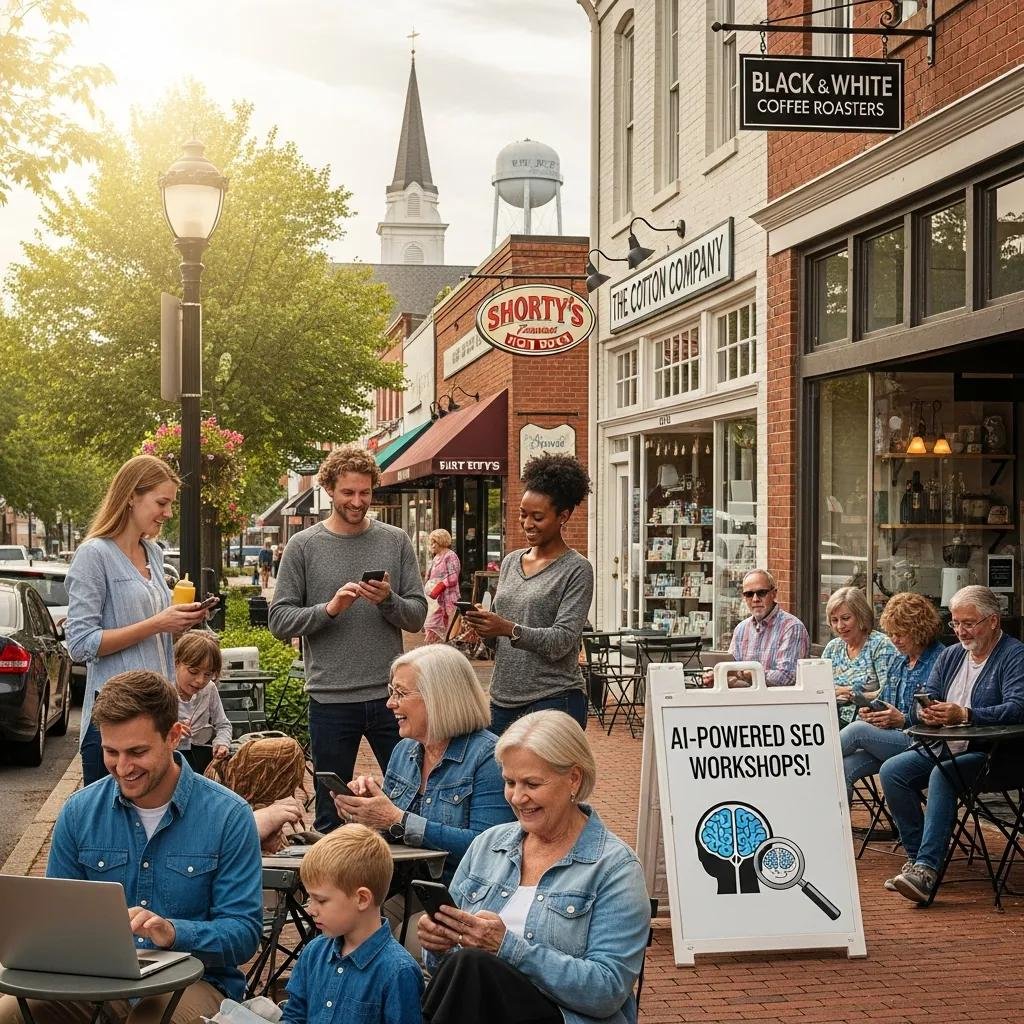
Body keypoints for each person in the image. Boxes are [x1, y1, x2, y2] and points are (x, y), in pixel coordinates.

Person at [0, 671, 263, 1024]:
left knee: (151, 1018)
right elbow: (56, 925)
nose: (122, 768)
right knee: (10, 1013)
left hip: (197, 982)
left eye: (137, 752)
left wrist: (172, 933)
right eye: (111, 752)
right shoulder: (79, 812)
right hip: (94, 984)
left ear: (174, 736)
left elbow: (243, 934)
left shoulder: (228, 815)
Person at [418, 710, 650, 1024]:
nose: (517, 796)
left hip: (563, 1017)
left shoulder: (614, 867)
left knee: (474, 965)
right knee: (457, 967)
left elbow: (606, 990)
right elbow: (445, 970)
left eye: (532, 783)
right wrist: (439, 945)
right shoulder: (488, 845)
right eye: (510, 782)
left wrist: (507, 948)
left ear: (574, 778)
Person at [269, 444, 427, 832]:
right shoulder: (303, 546)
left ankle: (404, 886)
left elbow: (418, 616)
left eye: (365, 493)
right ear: (329, 490)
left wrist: (389, 601)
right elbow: (279, 620)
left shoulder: (395, 540)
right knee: (330, 809)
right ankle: (327, 889)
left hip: (391, 697)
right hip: (331, 698)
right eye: (348, 493)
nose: (358, 502)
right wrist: (329, 610)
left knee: (410, 800)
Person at [333, 645, 516, 943]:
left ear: (439, 698)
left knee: (383, 944)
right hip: (403, 889)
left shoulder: (489, 757)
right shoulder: (405, 751)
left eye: (400, 693)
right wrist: (365, 812)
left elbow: (490, 849)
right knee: (335, 926)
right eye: (392, 691)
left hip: (461, 901)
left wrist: (397, 818)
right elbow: (391, 831)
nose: (390, 703)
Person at [65, 455, 210, 785]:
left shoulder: (154, 553)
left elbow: (153, 634)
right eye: (162, 502)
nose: (168, 513)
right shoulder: (94, 555)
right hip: (118, 721)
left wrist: (179, 624)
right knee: (115, 831)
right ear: (131, 496)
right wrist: (158, 623)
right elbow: (80, 644)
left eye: (170, 503)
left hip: (159, 715)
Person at [880, 585, 1024, 904]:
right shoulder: (951, 654)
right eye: (956, 623)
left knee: (943, 774)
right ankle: (918, 861)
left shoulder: (1014, 655)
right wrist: (928, 713)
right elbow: (927, 697)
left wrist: (966, 714)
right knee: (893, 771)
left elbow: (1018, 707)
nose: (960, 631)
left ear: (993, 621)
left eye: (968, 623)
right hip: (946, 746)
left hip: (993, 755)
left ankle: (928, 871)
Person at [465, 454, 594, 734]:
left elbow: (562, 641)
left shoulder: (577, 569)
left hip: (554, 699)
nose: (527, 523)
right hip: (502, 698)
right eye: (523, 514)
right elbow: (500, 637)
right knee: (497, 778)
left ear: (563, 516)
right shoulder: (512, 561)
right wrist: (485, 626)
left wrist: (508, 628)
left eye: (537, 517)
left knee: (544, 779)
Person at [281, 824, 424, 1024]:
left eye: (321, 900)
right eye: (309, 898)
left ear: (362, 899)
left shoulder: (398, 971)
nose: (311, 909)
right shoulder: (314, 952)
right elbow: (294, 1016)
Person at [840, 592, 944, 800]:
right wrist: (872, 712)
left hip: (922, 742)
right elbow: (885, 700)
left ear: (919, 630)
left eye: (900, 634)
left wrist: (902, 719)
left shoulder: (939, 660)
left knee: (857, 731)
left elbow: (937, 715)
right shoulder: (901, 661)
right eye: (891, 634)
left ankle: (811, 758)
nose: (894, 640)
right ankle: (837, 831)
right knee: (839, 769)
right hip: (891, 738)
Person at [703, 568, 809, 687]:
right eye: (749, 594)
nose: (755, 599)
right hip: (744, 699)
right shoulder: (741, 629)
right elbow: (731, 669)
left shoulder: (791, 627)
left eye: (761, 593)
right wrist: (718, 676)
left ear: (774, 594)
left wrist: (746, 674)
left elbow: (787, 677)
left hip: (778, 702)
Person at [822, 586, 897, 727]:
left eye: (845, 618)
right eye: (834, 620)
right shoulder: (832, 648)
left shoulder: (880, 645)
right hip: (829, 720)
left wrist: (850, 693)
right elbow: (819, 689)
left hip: (867, 722)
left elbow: (888, 693)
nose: (840, 626)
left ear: (861, 615)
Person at [173, 631, 232, 773]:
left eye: (208, 675)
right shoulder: (163, 689)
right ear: (176, 663)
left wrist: (222, 743)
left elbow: (223, 724)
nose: (200, 680)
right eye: (193, 672)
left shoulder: (209, 689)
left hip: (200, 758)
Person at [423, 529, 461, 644]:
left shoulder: (450, 556)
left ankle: (441, 650)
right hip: (434, 601)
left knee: (447, 628)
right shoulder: (436, 557)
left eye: (435, 542)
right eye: (431, 542)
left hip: (448, 599)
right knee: (431, 625)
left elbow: (453, 577)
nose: (432, 545)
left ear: (441, 542)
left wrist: (438, 587)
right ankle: (432, 649)